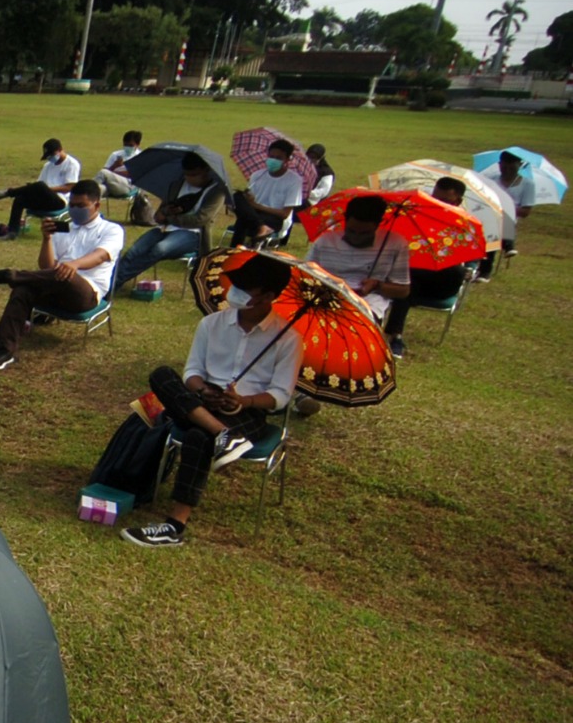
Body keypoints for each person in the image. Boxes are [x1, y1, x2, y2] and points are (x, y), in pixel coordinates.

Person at [121, 253, 303, 548]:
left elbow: (280, 396)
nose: (237, 293)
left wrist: (243, 400)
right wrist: (204, 389)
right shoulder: (212, 324)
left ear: (268, 296)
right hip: (202, 401)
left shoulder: (288, 339)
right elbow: (192, 372)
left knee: (196, 435)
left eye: (247, 289)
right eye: (237, 285)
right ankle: (223, 435)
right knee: (163, 376)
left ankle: (174, 524)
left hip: (248, 412)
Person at [0, 179, 123, 371]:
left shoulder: (111, 230)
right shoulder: (64, 229)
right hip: (53, 283)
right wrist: (47, 239)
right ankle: (4, 351)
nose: (75, 209)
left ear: (96, 205)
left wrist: (74, 264)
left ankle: (11, 275)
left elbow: (100, 256)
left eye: (81, 206)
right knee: (23, 290)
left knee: (66, 273)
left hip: (87, 292)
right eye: (72, 205)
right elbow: (46, 266)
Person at [381, 176, 470, 360]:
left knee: (448, 272)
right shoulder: (419, 215)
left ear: (458, 201)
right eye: (435, 198)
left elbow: (463, 258)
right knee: (406, 283)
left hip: (443, 281)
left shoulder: (463, 225)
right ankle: (395, 336)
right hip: (415, 277)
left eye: (445, 201)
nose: (438, 204)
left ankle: (393, 333)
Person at [112, 152, 228, 287]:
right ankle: (109, 280)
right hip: (164, 228)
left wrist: (170, 217)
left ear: (207, 171)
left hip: (192, 234)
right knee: (134, 251)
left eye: (195, 175)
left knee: (159, 249)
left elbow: (200, 219)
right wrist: (163, 213)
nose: (190, 179)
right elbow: (162, 211)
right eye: (187, 174)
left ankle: (114, 283)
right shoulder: (177, 185)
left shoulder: (217, 191)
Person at [302, 193, 410, 324]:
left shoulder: (395, 244)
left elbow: (403, 291)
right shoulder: (325, 241)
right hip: (326, 295)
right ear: (345, 221)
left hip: (368, 303)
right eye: (351, 231)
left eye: (365, 233)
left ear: (378, 224)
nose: (356, 237)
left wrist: (377, 285)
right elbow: (304, 276)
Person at [228, 139, 303, 246]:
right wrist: (246, 199)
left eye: (278, 158)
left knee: (243, 221)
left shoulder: (294, 180)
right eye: (271, 156)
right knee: (237, 196)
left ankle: (236, 249)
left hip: (275, 218)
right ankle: (261, 228)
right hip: (254, 213)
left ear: (287, 160)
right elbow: (249, 203)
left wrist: (256, 206)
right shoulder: (258, 175)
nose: (273, 160)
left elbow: (284, 214)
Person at [479, 149, 535, 273]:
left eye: (511, 167)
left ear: (519, 165)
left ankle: (485, 270)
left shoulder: (527, 185)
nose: (507, 170)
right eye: (504, 167)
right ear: (499, 165)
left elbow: (525, 211)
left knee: (496, 224)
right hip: (488, 215)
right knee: (492, 224)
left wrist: (506, 206)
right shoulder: (491, 180)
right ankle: (508, 245)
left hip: (508, 218)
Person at [95, 130, 143, 197]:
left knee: (103, 173)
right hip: (112, 185)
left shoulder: (141, 156)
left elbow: (134, 174)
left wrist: (113, 172)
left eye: (131, 145)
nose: (127, 147)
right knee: (98, 189)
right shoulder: (116, 154)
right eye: (125, 144)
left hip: (128, 187)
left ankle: (87, 190)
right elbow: (104, 171)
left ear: (137, 145)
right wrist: (115, 166)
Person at [303, 143, 334, 208]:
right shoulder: (302, 166)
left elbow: (322, 191)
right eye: (309, 156)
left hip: (313, 203)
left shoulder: (327, 172)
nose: (311, 159)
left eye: (314, 157)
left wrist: (306, 193)